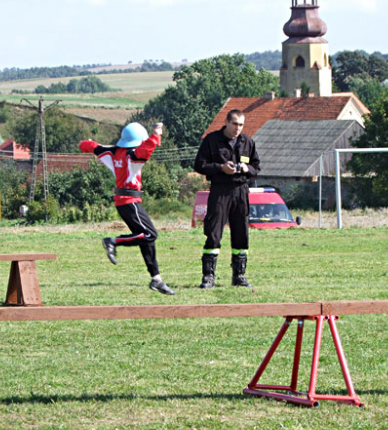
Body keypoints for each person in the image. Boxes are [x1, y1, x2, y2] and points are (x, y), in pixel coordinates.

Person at [79, 122, 175, 295]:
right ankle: (113, 241)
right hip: (130, 200)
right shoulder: (133, 155)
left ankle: (157, 279)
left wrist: (84, 144)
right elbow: (147, 148)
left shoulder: (113, 152)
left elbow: (93, 147)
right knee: (150, 234)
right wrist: (156, 134)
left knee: (146, 239)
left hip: (122, 201)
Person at [194, 109, 261, 288]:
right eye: (235, 124)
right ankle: (208, 277)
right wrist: (220, 167)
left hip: (241, 191)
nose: (238, 128)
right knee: (214, 233)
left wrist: (247, 169)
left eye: (241, 125)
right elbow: (199, 164)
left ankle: (239, 276)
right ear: (227, 122)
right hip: (220, 190)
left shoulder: (248, 142)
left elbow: (257, 167)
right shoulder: (212, 140)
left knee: (241, 234)